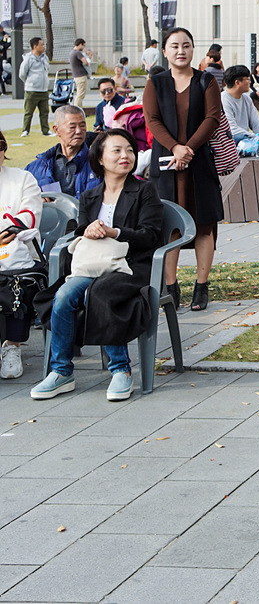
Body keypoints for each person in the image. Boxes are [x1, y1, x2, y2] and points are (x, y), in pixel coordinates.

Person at [29, 128, 164, 403]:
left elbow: (151, 235)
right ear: (100, 158)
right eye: (116, 150)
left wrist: (115, 232)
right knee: (63, 296)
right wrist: (87, 229)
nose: (125, 155)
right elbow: (78, 230)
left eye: (129, 150)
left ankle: (121, 370)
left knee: (100, 293)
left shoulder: (144, 190)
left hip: (129, 267)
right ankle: (62, 371)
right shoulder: (90, 196)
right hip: (91, 266)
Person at [144, 27, 223, 312]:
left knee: (204, 224)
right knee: (170, 227)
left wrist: (188, 148)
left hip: (199, 162)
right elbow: (152, 119)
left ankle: (201, 288)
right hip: (166, 164)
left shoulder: (206, 81)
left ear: (193, 50)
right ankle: (171, 286)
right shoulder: (156, 81)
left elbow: (212, 118)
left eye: (187, 45)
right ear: (164, 50)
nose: (181, 50)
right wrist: (175, 148)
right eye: (175, 45)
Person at [0, 131, 42, 380]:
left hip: (17, 255)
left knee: (18, 281)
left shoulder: (22, 179)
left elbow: (26, 217)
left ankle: (12, 346)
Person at [25, 105, 99, 198]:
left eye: (82, 125)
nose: (79, 131)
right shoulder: (37, 167)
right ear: (56, 130)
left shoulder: (98, 164)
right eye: (72, 127)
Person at [221, 65, 259, 153]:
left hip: (248, 139)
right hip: (232, 141)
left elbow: (256, 123)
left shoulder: (246, 99)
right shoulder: (223, 99)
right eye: (248, 79)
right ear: (237, 83)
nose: (250, 82)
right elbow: (231, 129)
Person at [18, 37, 51, 137]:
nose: (43, 47)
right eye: (41, 45)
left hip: (44, 89)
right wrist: (31, 82)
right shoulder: (28, 59)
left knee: (44, 111)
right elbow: (22, 74)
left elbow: (47, 70)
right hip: (32, 90)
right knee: (29, 112)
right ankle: (25, 130)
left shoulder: (45, 58)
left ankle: (45, 131)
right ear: (35, 46)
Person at [69, 38, 91, 108]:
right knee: (80, 95)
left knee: (79, 94)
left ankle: (79, 109)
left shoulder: (72, 52)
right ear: (80, 44)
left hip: (76, 76)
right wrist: (89, 57)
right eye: (83, 45)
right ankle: (77, 109)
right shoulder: (77, 53)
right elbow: (86, 62)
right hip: (81, 76)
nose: (84, 47)